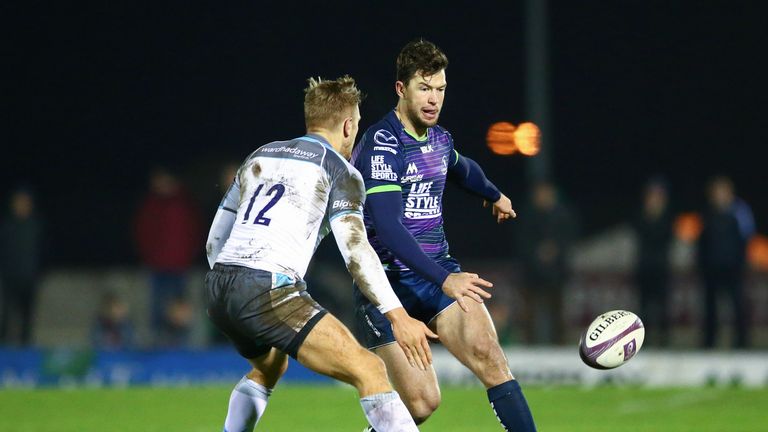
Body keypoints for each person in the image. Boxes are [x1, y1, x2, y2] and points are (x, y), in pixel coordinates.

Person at [205, 75, 435, 431]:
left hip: (219, 287)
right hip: (268, 289)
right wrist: (398, 315)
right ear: (347, 125)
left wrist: (234, 283)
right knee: (370, 370)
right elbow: (356, 252)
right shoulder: (340, 170)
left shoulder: (260, 155)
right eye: (356, 126)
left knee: (269, 367)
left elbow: (215, 239)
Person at [350, 39, 536, 431]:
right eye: (424, 88)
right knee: (420, 403)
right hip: (387, 287)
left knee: (491, 356)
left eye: (440, 89)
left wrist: (494, 193)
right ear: (401, 89)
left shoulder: (439, 139)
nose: (434, 99)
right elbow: (387, 226)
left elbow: (462, 168)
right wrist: (445, 279)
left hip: (436, 275)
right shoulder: (382, 144)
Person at [134, 167, 202, 345]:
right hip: (157, 266)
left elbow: (194, 232)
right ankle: (157, 343)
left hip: (180, 265)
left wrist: (188, 257)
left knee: (181, 306)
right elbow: (142, 232)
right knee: (157, 305)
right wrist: (148, 256)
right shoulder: (151, 204)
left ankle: (182, 342)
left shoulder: (184, 205)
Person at [516, 180, 577, 345]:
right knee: (529, 313)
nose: (542, 197)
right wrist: (537, 252)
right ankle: (530, 346)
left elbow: (569, 240)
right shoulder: (528, 216)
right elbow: (522, 241)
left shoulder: (563, 215)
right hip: (532, 273)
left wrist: (555, 250)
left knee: (557, 311)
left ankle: (560, 345)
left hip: (556, 273)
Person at [697, 176, 755, 348]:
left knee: (737, 306)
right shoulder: (706, 214)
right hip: (711, 269)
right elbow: (701, 241)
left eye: (723, 191)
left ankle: (742, 344)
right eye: (716, 192)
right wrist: (701, 264)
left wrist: (743, 262)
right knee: (710, 308)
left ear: (730, 193)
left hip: (733, 268)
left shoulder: (740, 211)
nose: (719, 195)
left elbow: (747, 238)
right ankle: (709, 343)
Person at [632, 177, 673, 347]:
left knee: (663, 307)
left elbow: (665, 237)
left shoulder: (668, 217)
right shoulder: (640, 215)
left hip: (661, 268)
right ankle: (644, 340)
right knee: (644, 307)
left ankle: (663, 341)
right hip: (644, 267)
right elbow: (639, 233)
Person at [0, 187, 43, 346]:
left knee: (28, 315)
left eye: (25, 202)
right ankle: (3, 346)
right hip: (10, 277)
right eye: (18, 202)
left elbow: (42, 251)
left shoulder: (35, 226)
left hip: (29, 277)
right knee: (7, 313)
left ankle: (25, 347)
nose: (21, 206)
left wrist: (38, 272)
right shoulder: (6, 226)